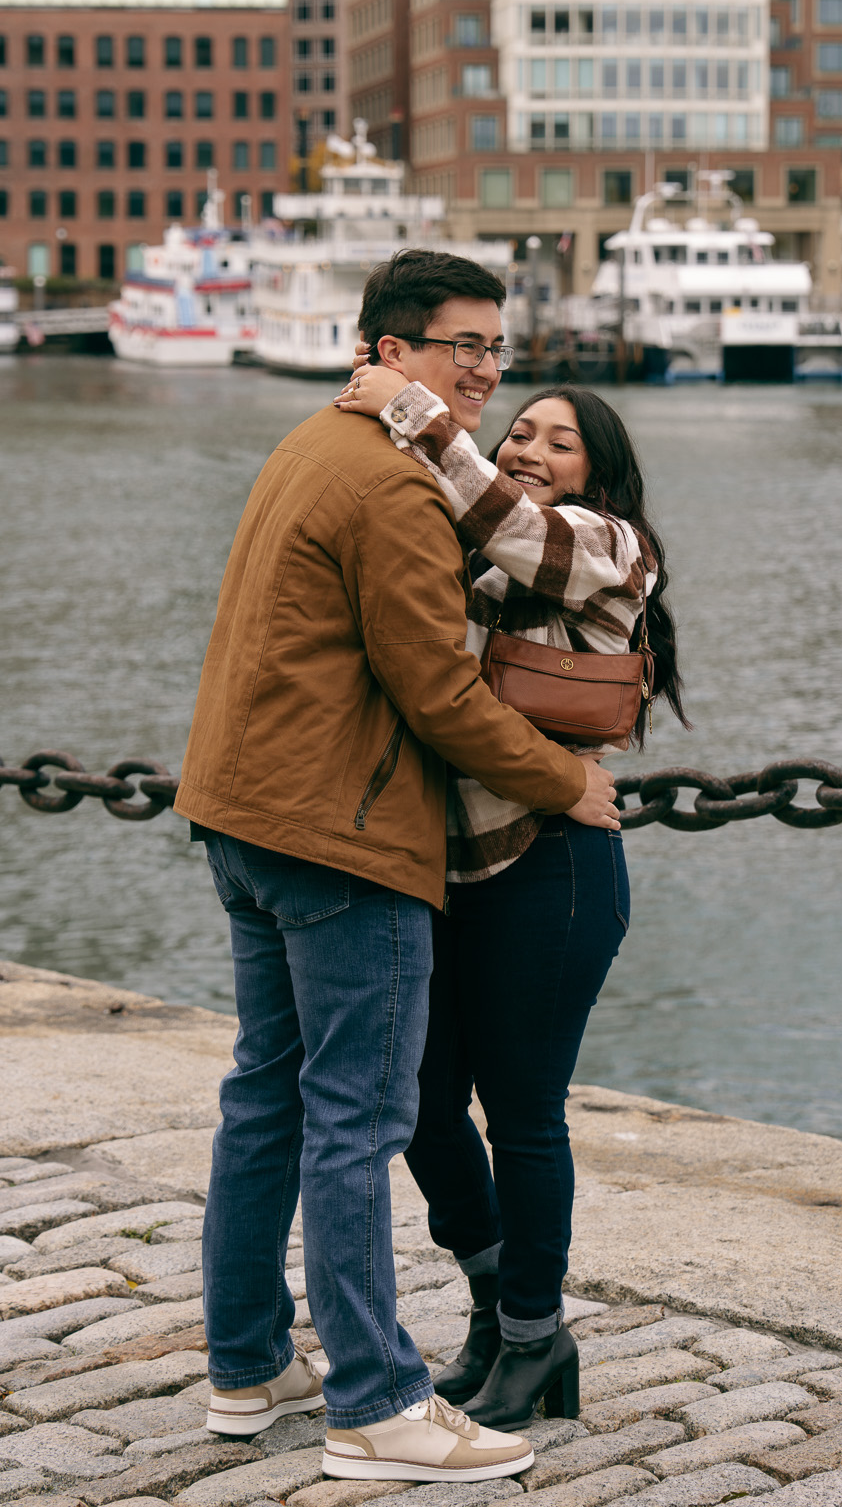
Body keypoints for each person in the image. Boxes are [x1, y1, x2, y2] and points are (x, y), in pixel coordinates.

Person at [175, 250, 622, 1484]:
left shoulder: (311, 446)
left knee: (265, 1093)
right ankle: (377, 1401)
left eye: (494, 346)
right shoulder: (392, 487)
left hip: (246, 816)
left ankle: (247, 1361)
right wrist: (565, 779)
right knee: (355, 1115)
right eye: (457, 345)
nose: (481, 367)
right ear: (386, 351)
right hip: (342, 834)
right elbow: (435, 691)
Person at [334, 364, 686, 1427]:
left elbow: (520, 533)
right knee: (427, 1103)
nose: (529, 447)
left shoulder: (615, 547)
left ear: (602, 471)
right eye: (520, 430)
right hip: (449, 866)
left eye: (558, 440)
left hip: (555, 869)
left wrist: (416, 411)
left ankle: (533, 1334)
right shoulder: (474, 548)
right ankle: (500, 1304)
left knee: (524, 1114)